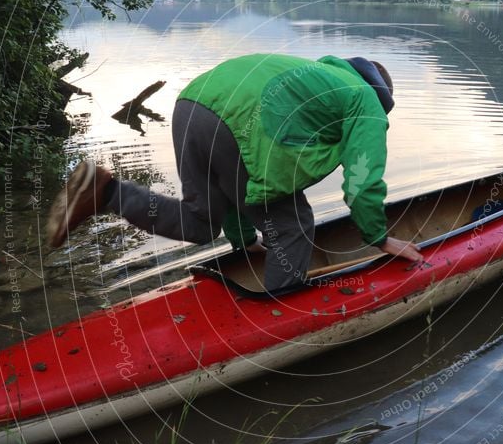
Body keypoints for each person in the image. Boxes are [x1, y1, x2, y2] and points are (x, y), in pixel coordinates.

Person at [46, 54, 423, 291]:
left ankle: (107, 191)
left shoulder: (319, 75)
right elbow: (362, 178)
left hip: (192, 106)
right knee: (294, 227)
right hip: (236, 126)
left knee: (200, 222)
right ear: (383, 98)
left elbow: (235, 187)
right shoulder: (366, 101)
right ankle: (280, 312)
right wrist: (379, 239)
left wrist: (244, 240)